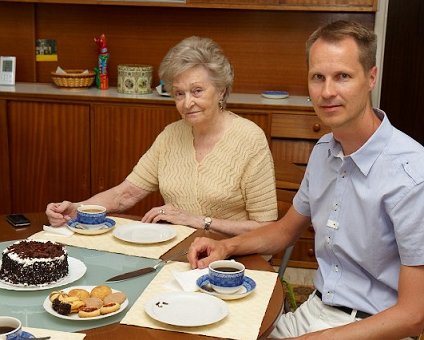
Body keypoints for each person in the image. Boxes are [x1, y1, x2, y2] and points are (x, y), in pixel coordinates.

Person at [187, 21, 424, 339]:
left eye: (342, 76)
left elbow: (413, 316)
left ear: (370, 77)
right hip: (316, 310)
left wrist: (324, 337)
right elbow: (284, 231)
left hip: (377, 327)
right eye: (318, 77)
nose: (327, 92)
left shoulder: (413, 174)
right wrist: (226, 245)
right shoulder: (324, 150)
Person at [46, 36, 278, 235]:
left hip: (234, 261)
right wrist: (77, 209)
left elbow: (266, 227)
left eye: (197, 91)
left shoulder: (249, 139)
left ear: (221, 90)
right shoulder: (171, 135)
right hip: (179, 253)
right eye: (179, 93)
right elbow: (125, 194)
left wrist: (199, 221)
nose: (187, 103)